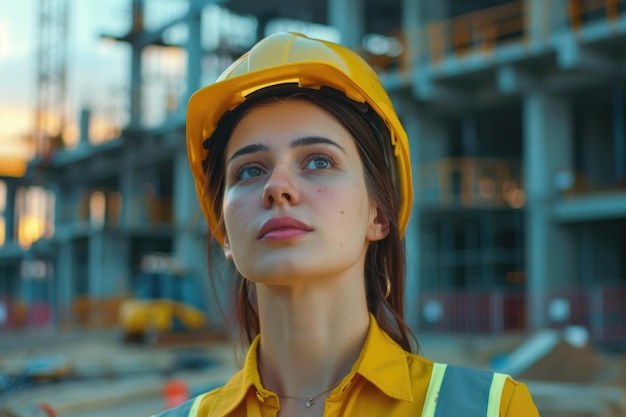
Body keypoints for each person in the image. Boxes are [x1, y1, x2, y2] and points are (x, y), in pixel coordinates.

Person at [155, 32, 540, 417]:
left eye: (319, 161)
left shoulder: (492, 408)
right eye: (250, 170)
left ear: (378, 215)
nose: (277, 188)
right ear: (223, 232)